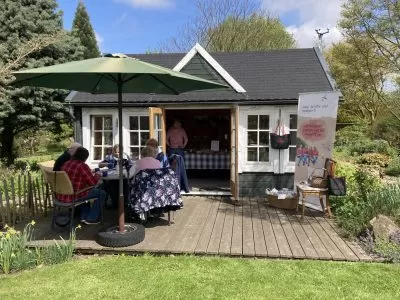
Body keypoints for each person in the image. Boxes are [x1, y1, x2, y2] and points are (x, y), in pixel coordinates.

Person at [58, 147, 106, 225]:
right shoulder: (82, 165)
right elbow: (92, 183)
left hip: (62, 195)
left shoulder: (66, 163)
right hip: (74, 196)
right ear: (85, 157)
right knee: (101, 193)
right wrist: (97, 175)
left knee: (86, 192)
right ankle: (92, 218)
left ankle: (84, 216)